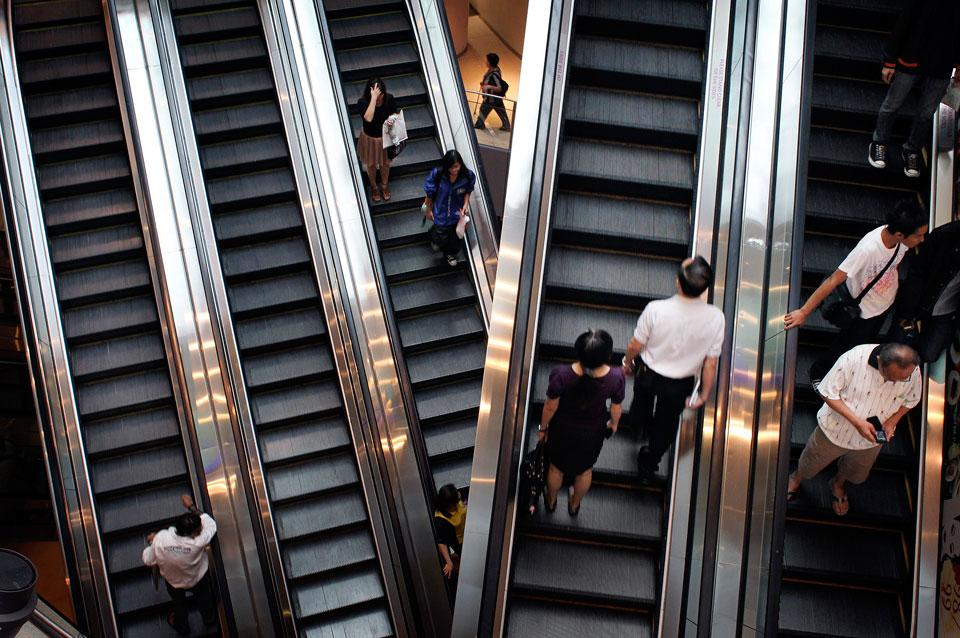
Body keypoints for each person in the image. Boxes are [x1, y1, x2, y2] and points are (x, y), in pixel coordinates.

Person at [784, 199, 928, 383]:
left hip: (883, 304)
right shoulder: (867, 249)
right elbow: (833, 280)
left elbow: (894, 263)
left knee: (866, 341)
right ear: (900, 234)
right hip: (862, 311)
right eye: (918, 235)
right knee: (846, 346)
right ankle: (819, 374)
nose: (922, 240)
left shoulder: (902, 243)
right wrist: (803, 312)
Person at [787, 342, 921, 516]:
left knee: (856, 471)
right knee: (812, 460)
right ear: (879, 361)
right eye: (890, 377)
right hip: (835, 430)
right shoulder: (853, 359)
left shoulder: (911, 371)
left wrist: (892, 421)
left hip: (871, 439)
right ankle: (796, 478)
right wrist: (858, 423)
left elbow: (911, 399)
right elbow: (827, 392)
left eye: (901, 379)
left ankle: (837, 484)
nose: (895, 382)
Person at [623, 257, 725, 481]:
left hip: (648, 373)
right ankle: (650, 460)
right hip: (680, 384)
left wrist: (627, 362)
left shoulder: (655, 309)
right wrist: (704, 394)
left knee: (641, 401)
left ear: (678, 282)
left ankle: (638, 426)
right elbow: (710, 363)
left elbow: (635, 344)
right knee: (667, 424)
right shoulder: (716, 318)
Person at [867, 1, 960, 178]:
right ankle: (879, 142)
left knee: (926, 113)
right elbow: (904, 21)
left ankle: (912, 150)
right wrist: (889, 60)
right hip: (912, 56)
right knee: (893, 103)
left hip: (942, 64)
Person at [539, 329, 624, 516]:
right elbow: (616, 408)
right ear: (608, 356)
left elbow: (550, 407)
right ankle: (574, 504)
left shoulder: (561, 374)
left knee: (555, 467)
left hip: (562, 429)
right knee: (585, 471)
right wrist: (614, 424)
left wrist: (543, 428)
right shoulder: (616, 378)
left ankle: (551, 501)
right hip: (592, 432)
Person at [142, 494, 217, 635]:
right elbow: (211, 524)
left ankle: (183, 628)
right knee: (204, 600)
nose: (200, 530)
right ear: (193, 533)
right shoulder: (199, 541)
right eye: (198, 529)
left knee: (179, 605)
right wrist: (191, 506)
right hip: (198, 579)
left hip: (174, 582)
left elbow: (147, 559)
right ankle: (209, 620)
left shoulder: (162, 538)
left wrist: (152, 541)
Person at [892, 220, 960, 362]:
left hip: (946, 311)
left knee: (929, 354)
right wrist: (907, 309)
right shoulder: (945, 235)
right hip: (922, 299)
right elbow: (918, 271)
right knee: (894, 348)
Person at [423, 150, 476, 267]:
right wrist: (428, 209)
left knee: (455, 237)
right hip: (440, 212)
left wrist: (466, 204)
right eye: (451, 167)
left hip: (456, 214)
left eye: (456, 166)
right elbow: (430, 194)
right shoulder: (438, 175)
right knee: (441, 235)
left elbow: (468, 191)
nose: (454, 170)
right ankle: (434, 236)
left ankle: (449, 254)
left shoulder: (467, 176)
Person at [356, 77, 399, 202]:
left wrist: (393, 118)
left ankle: (384, 185)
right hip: (370, 138)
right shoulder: (363, 102)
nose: (380, 98)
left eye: (381, 95)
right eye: (377, 95)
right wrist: (373, 99)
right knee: (371, 164)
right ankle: (374, 187)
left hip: (384, 137)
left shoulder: (389, 98)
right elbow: (368, 118)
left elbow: (395, 113)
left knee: (385, 164)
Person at [433, 484, 467, 581]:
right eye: (456, 499)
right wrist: (449, 562)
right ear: (449, 504)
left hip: (470, 529)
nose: (459, 496)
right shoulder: (441, 520)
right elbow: (441, 541)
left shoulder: (456, 498)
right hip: (461, 541)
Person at [473, 52, 510, 132]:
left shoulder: (494, 74)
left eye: (487, 61)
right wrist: (484, 83)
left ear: (489, 62)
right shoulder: (494, 69)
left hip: (491, 98)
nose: (486, 62)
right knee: (501, 111)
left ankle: (479, 125)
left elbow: (499, 88)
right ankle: (506, 126)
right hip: (495, 98)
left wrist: (488, 86)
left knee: (483, 110)